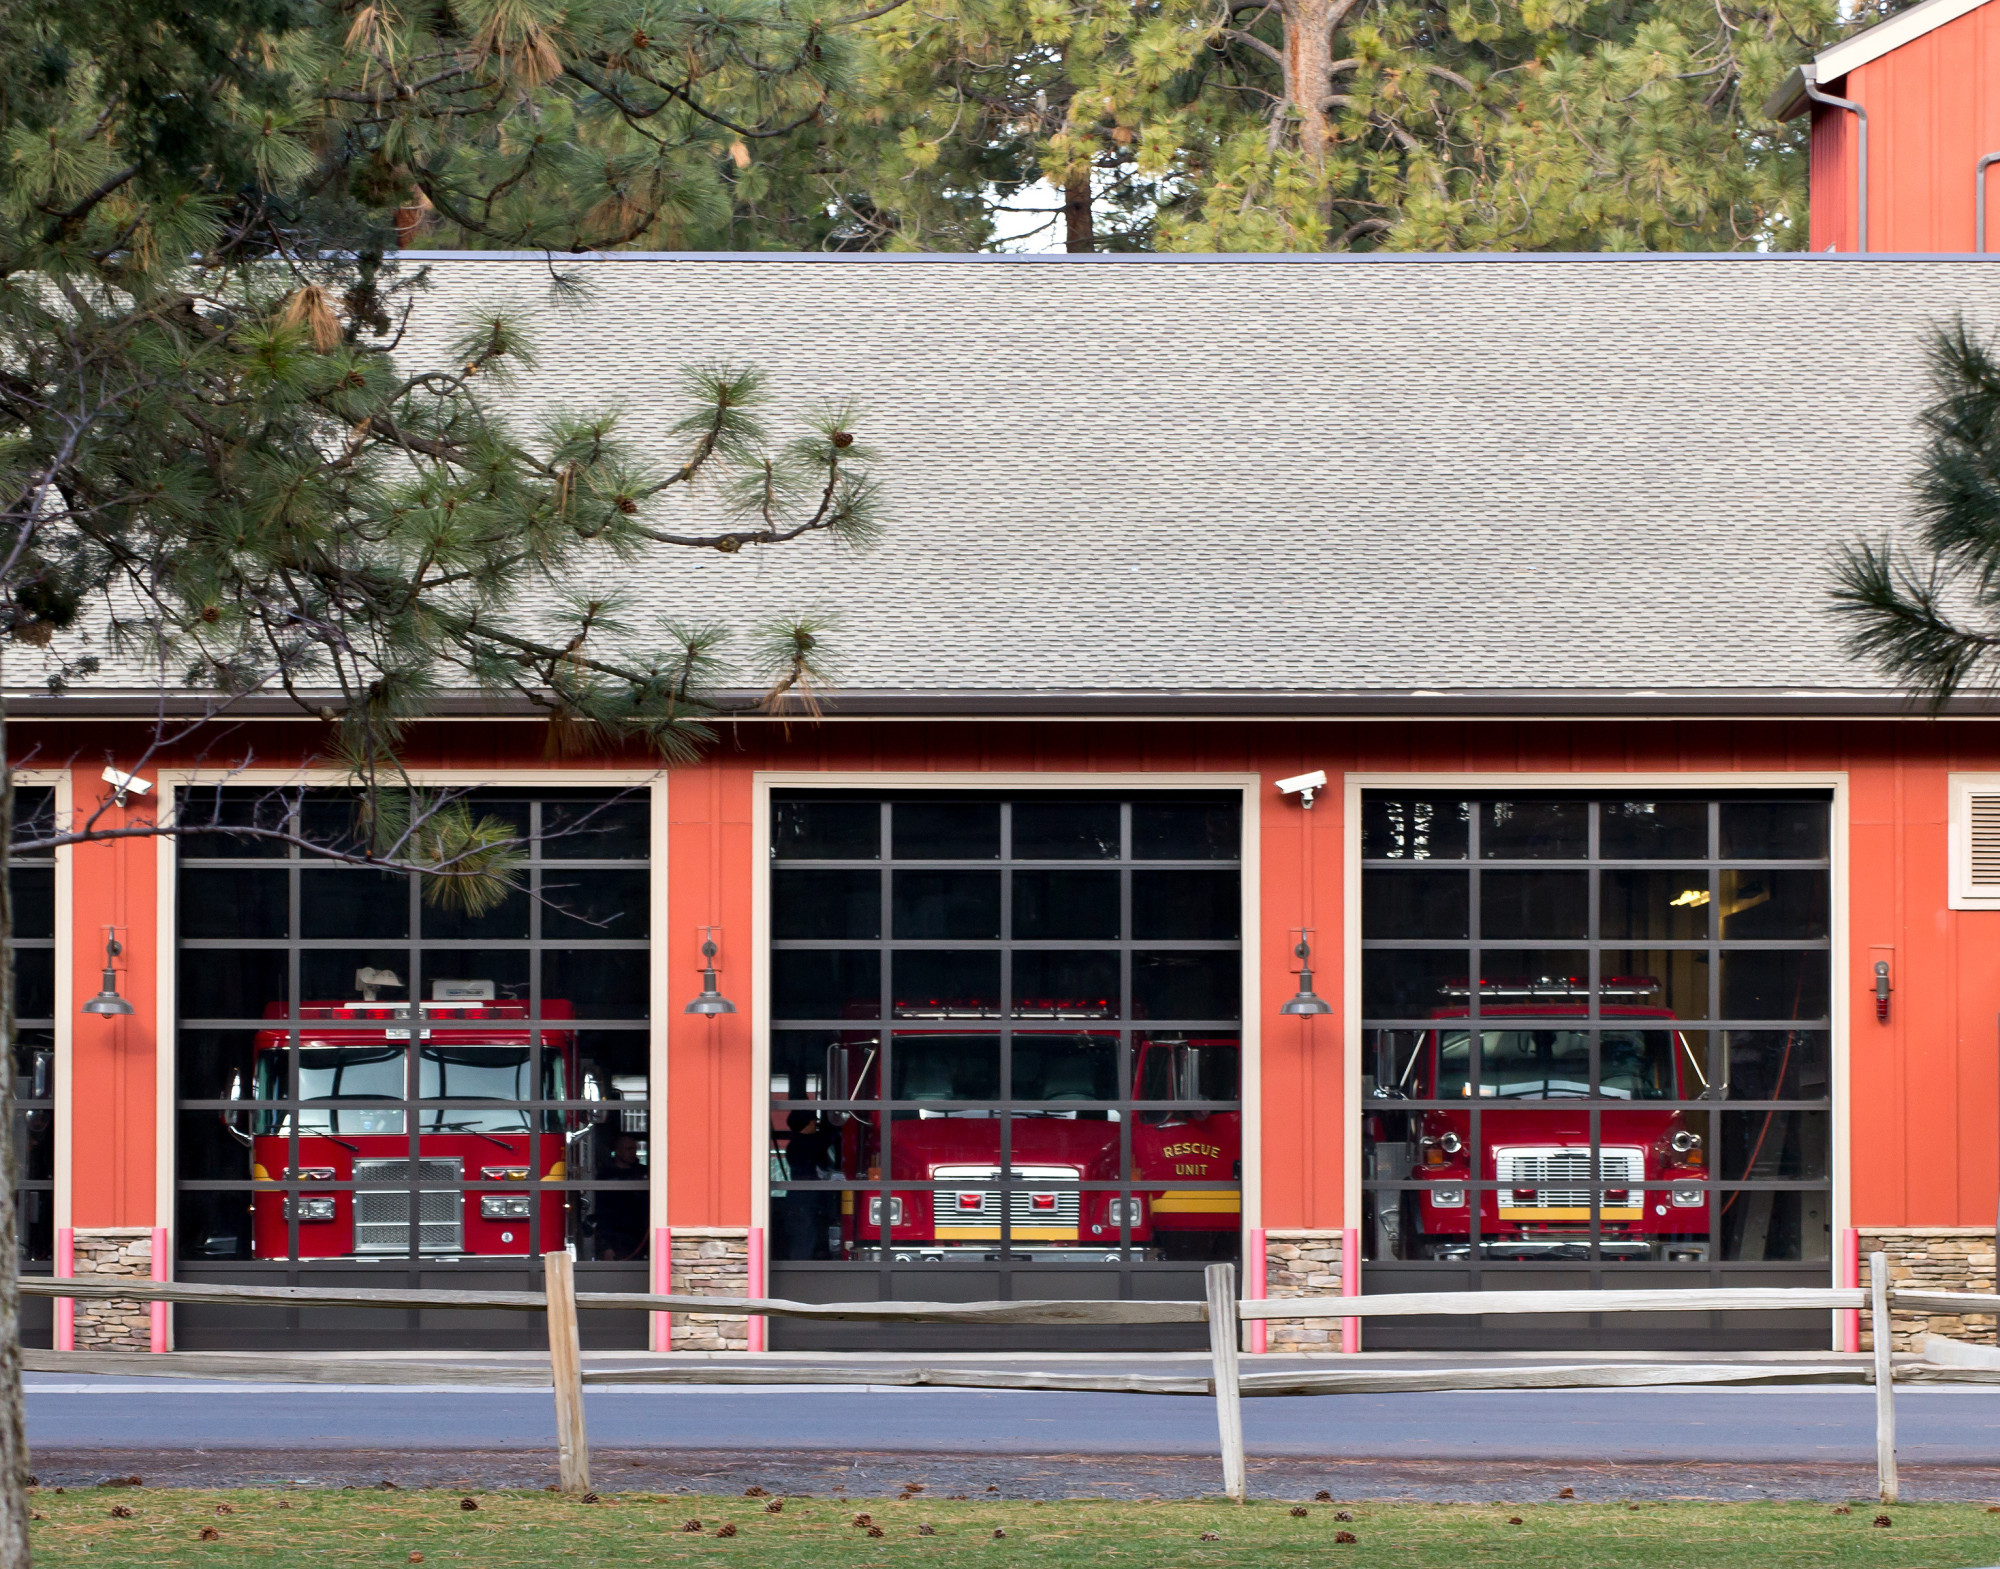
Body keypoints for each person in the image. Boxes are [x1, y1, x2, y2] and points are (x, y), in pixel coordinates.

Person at [776, 1109, 841, 1261]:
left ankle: (799, 1267)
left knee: (803, 1239)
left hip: (799, 1199)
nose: (815, 1125)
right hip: (806, 1201)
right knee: (804, 1240)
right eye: (813, 1122)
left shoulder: (794, 1144)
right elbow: (828, 1138)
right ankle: (799, 1269)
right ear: (807, 1123)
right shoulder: (806, 1144)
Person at [591, 1130, 650, 1261]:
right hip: (617, 1237)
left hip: (641, 1235)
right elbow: (602, 1214)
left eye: (634, 1149)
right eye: (629, 1149)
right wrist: (606, 1246)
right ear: (617, 1151)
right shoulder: (605, 1175)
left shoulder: (644, 1172)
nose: (633, 1153)